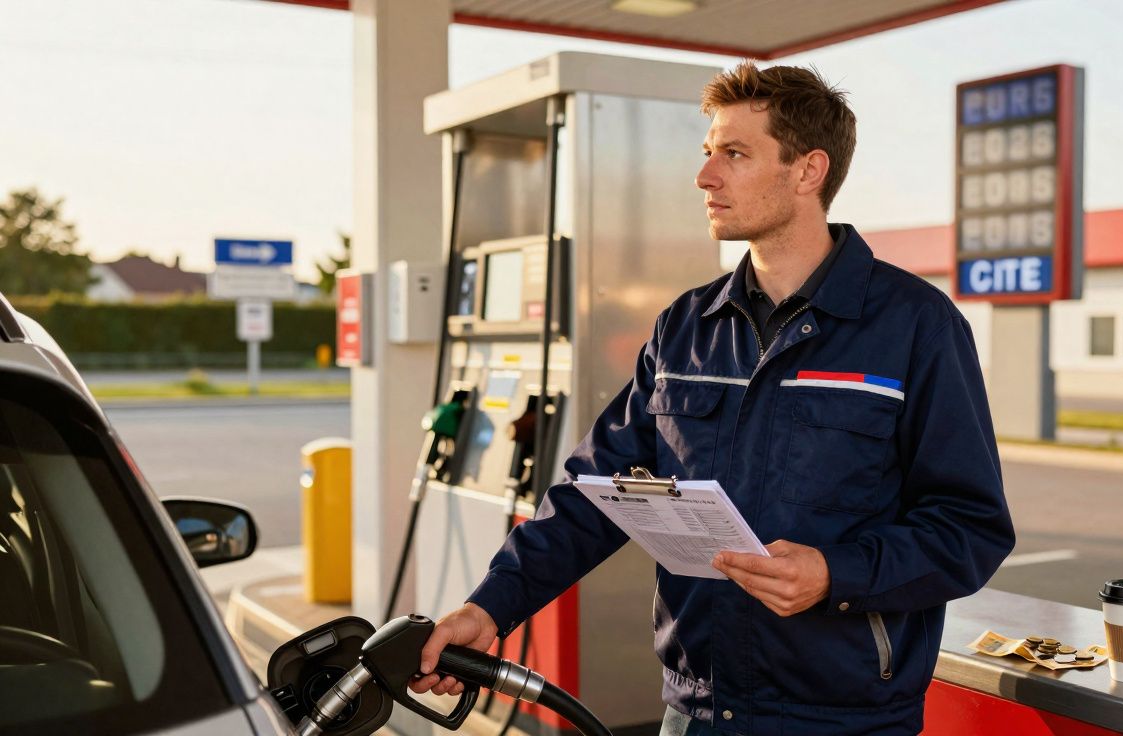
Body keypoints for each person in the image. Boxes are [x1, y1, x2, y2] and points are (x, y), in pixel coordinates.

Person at [410, 61, 1015, 736]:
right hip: (697, 712)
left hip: (844, 721)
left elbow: (970, 529)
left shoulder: (916, 327)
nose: (705, 176)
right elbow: (593, 493)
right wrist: (489, 608)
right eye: (707, 154)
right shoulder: (686, 328)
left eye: (734, 154)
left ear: (808, 171)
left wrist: (834, 574)